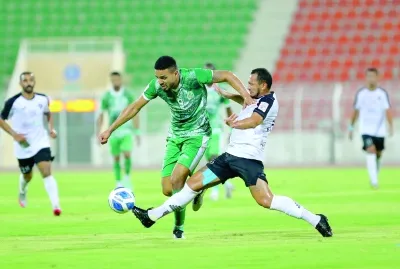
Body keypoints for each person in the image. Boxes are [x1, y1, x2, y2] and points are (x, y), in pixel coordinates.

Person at [131, 68, 333, 238]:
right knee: (192, 184)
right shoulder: (255, 99)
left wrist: (236, 123)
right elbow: (247, 103)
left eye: (251, 83)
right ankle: (152, 216)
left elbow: (255, 120)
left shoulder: (269, 101)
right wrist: (231, 95)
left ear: (263, 85)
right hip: (228, 159)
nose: (248, 86)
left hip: (248, 160)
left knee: (266, 200)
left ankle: (315, 219)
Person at [98, 56, 253, 239]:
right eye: (157, 77)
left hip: (197, 136)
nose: (160, 82)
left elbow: (227, 75)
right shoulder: (155, 86)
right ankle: (198, 187)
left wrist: (246, 96)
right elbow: (134, 108)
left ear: (175, 74)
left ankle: (178, 228)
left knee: (177, 179)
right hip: (174, 137)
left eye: (163, 77)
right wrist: (110, 129)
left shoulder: (194, 76)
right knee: (167, 189)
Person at [0, 72, 62, 216]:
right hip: (23, 146)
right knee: (27, 176)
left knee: (46, 171)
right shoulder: (13, 102)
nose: (28, 83)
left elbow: (48, 113)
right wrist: (15, 135)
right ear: (21, 84)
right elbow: (1, 119)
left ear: (34, 82)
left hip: (40, 141)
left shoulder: (43, 99)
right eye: (25, 80)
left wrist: (51, 128)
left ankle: (56, 206)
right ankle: (22, 191)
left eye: (31, 80)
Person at [349, 67, 393, 189]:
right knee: (370, 150)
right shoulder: (361, 94)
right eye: (368, 76)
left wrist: (391, 126)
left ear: (377, 77)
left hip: (379, 131)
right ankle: (374, 181)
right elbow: (355, 112)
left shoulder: (382, 94)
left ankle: (375, 176)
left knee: (378, 154)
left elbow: (387, 110)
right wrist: (351, 127)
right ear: (366, 78)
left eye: (373, 76)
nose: (371, 79)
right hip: (366, 130)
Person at [97, 72, 140, 190]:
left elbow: (135, 112)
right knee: (116, 157)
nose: (115, 82)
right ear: (111, 81)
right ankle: (118, 181)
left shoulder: (127, 95)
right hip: (113, 132)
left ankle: (127, 177)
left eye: (117, 79)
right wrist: (99, 131)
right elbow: (101, 114)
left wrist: (137, 132)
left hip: (126, 130)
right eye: (113, 80)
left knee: (127, 154)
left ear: (121, 80)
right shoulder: (107, 96)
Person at [203, 62, 234, 201]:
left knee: (213, 159)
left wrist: (232, 127)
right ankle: (226, 183)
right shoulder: (199, 90)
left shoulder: (220, 90)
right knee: (209, 159)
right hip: (203, 130)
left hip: (216, 128)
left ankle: (214, 190)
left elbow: (228, 109)